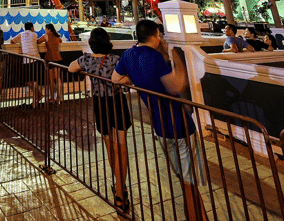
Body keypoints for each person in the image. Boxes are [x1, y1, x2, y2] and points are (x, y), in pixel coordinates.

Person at [113, 19, 207, 221]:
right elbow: (176, 85)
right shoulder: (156, 57)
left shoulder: (128, 55)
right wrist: (173, 54)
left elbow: (115, 79)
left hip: (160, 127)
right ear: (156, 35)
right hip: (179, 124)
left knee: (184, 180)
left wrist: (136, 79)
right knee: (189, 184)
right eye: (159, 35)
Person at [69, 28, 132, 214]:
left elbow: (72, 68)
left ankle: (119, 187)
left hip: (100, 105)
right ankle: (121, 190)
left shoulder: (86, 60)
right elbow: (128, 78)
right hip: (118, 103)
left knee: (109, 145)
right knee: (121, 146)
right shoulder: (116, 59)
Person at [10, 22, 42, 108]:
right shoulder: (35, 35)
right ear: (32, 28)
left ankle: (35, 101)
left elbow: (12, 41)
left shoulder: (21, 34)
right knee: (34, 81)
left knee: (29, 81)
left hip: (26, 60)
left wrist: (21, 43)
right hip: (36, 59)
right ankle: (38, 96)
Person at [39, 23, 64, 104]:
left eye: (45, 29)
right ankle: (59, 98)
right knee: (58, 78)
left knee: (51, 79)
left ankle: (52, 98)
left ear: (48, 29)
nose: (45, 30)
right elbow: (61, 41)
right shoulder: (57, 36)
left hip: (49, 59)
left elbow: (38, 41)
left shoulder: (46, 36)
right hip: (58, 58)